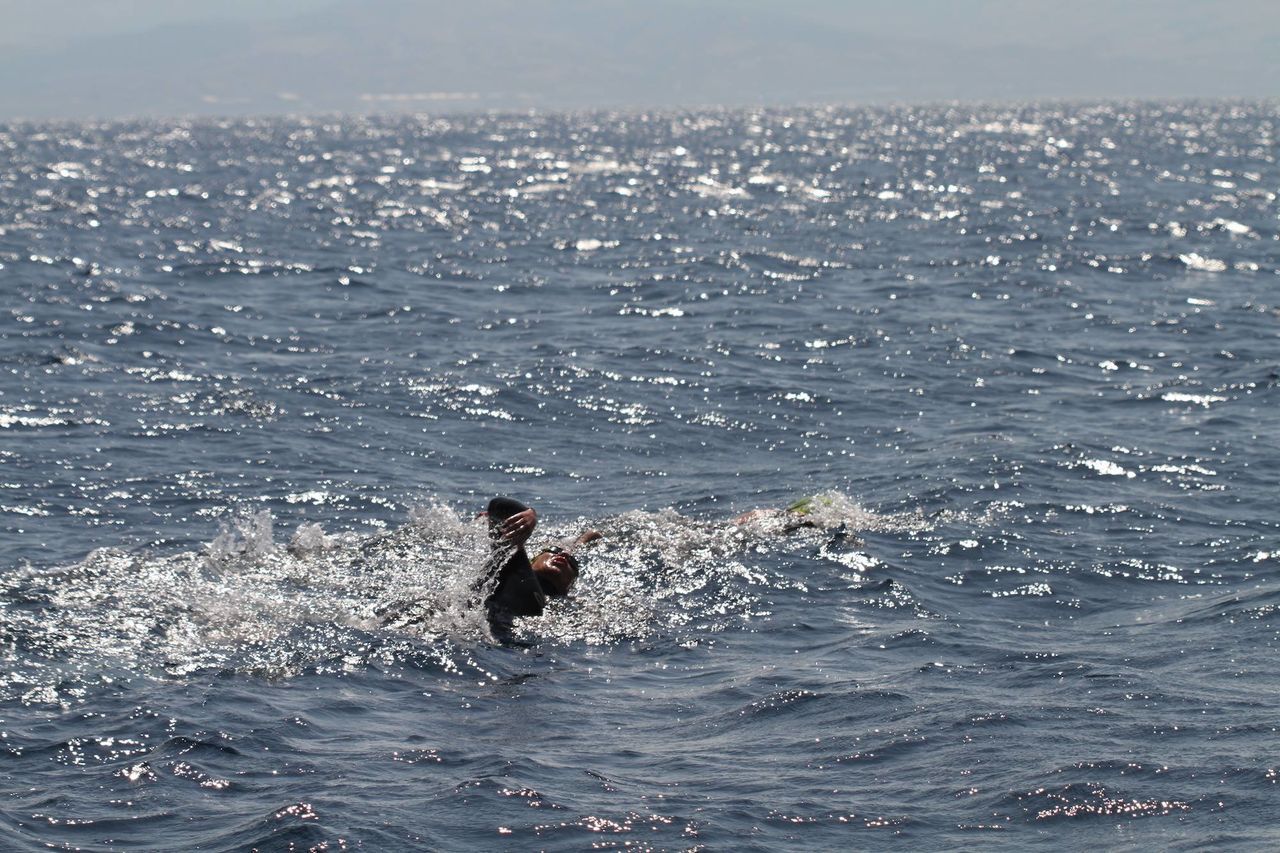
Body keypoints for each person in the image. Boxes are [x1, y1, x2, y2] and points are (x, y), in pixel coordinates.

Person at [478, 497, 600, 640]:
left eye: (572, 563)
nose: (564, 556)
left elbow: (592, 535)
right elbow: (498, 507)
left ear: (568, 587)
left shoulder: (550, 607)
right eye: (554, 550)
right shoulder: (506, 571)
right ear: (532, 561)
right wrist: (530, 514)